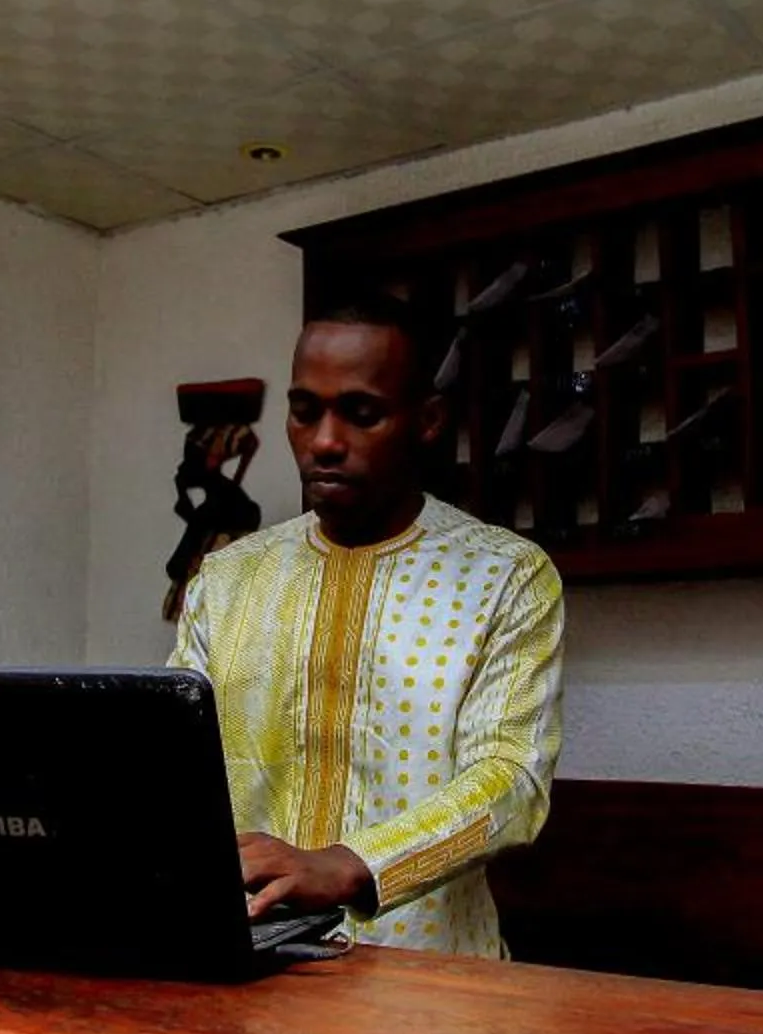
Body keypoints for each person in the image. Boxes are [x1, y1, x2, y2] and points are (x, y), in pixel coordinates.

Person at [170, 292, 565, 956]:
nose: (325, 441)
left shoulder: (506, 576)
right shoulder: (228, 578)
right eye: (305, 411)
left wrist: (356, 863)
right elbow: (174, 764)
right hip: (250, 964)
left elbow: (512, 781)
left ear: (428, 421)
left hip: (430, 980)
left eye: (361, 413)